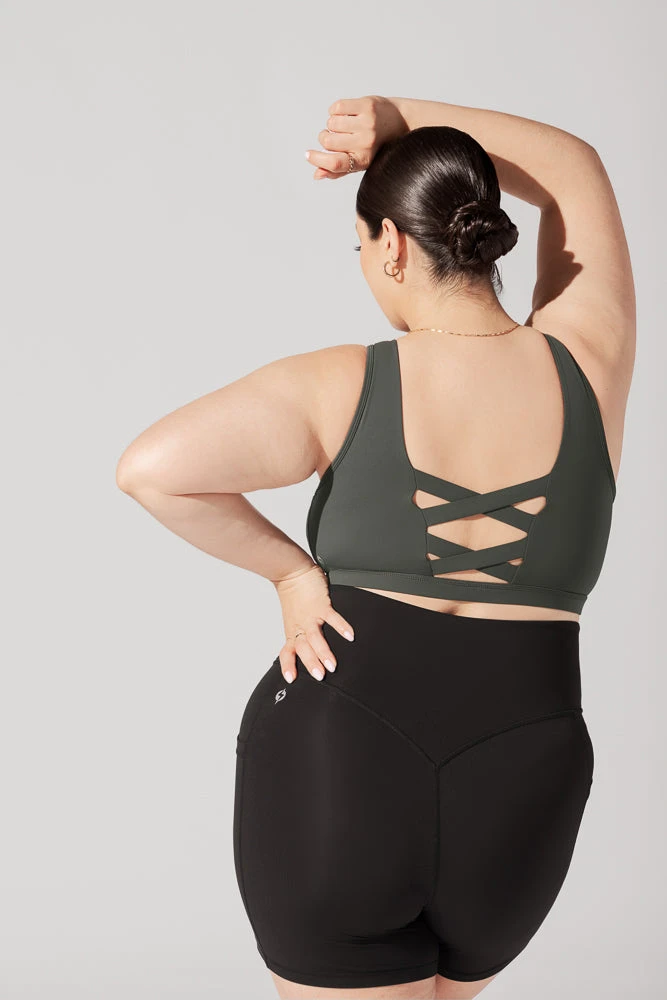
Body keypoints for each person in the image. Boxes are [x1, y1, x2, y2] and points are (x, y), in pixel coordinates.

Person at [116, 95, 635, 1000]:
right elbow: (574, 168)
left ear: (391, 244)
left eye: (359, 247)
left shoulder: (341, 381)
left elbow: (151, 469)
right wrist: (397, 117)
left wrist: (290, 573)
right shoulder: (590, 361)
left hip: (344, 759)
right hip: (525, 776)